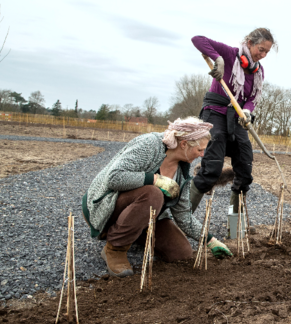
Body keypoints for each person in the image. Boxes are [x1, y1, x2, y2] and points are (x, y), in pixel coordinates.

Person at [82, 117, 232, 277]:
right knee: (154, 193)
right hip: (108, 204)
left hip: (145, 212)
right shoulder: (150, 145)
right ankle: (115, 248)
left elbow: (183, 215)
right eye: (200, 150)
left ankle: (135, 230)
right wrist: (155, 179)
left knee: (182, 253)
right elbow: (114, 178)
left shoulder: (183, 168)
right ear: (184, 144)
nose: (202, 155)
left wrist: (210, 240)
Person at [189, 28, 277, 214]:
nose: (262, 55)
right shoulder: (230, 55)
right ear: (250, 43)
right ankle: (183, 219)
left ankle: (233, 226)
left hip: (237, 120)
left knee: (244, 172)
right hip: (215, 113)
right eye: (260, 49)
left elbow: (252, 98)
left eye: (267, 52)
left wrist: (247, 110)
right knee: (211, 170)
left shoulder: (258, 71)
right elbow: (197, 39)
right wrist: (217, 59)